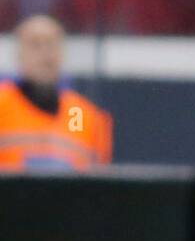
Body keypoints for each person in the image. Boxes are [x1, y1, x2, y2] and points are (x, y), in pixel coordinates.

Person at [0, 15, 112, 171]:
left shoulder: (80, 114)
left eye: (52, 44)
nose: (45, 54)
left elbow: (97, 184)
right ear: (19, 54)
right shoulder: (2, 105)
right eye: (35, 44)